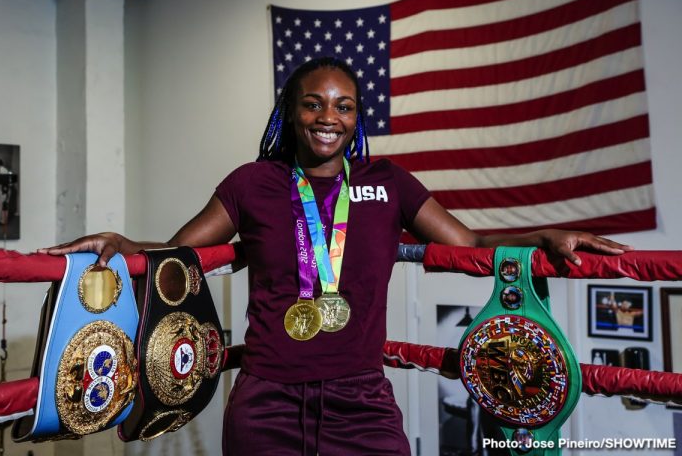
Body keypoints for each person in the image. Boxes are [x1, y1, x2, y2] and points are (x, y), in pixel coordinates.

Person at [39, 57, 631, 455]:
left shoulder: (388, 181)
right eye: (314, 105)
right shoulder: (253, 183)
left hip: (361, 400)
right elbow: (182, 249)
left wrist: (545, 236)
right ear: (290, 113)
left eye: (343, 106)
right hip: (266, 400)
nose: (329, 118)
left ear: (357, 117)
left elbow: (469, 244)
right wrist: (122, 243)